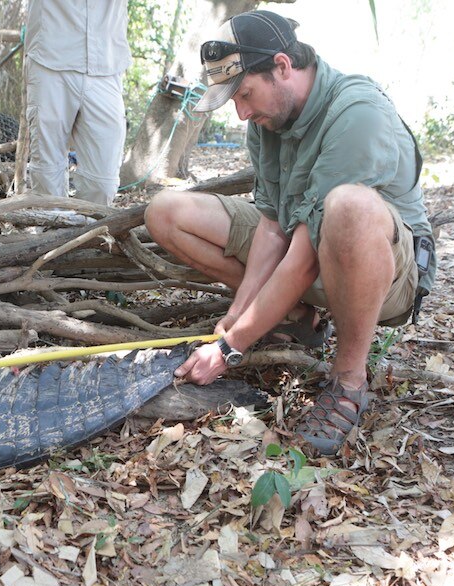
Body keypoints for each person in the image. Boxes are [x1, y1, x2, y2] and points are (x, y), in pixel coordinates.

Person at [145, 10, 437, 455]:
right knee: (166, 211)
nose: (242, 112)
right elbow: (271, 226)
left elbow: (302, 259)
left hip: (386, 277)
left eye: (245, 94)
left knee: (348, 207)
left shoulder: (358, 112)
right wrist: (236, 318)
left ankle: (348, 378)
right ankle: (297, 318)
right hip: (311, 253)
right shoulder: (268, 117)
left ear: (282, 66)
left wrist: (229, 349)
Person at [24, 0, 130, 205]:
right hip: (51, 57)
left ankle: (90, 231)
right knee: (47, 171)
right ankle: (51, 233)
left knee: (104, 182)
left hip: (106, 63)